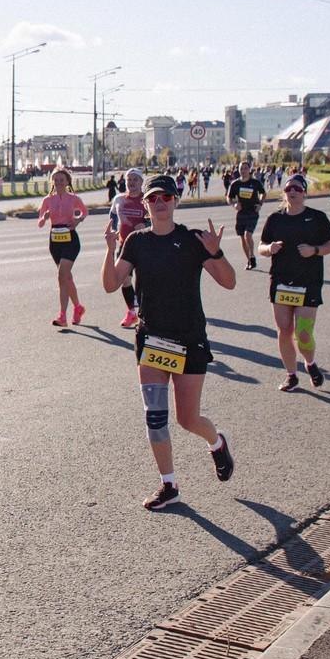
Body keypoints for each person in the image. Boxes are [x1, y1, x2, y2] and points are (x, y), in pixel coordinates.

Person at [100, 174, 237, 510]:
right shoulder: (136, 241)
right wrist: (109, 250)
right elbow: (111, 283)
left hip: (189, 339)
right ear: (145, 205)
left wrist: (215, 252)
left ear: (176, 201)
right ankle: (169, 485)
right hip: (153, 340)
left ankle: (217, 442)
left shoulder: (192, 240)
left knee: (187, 419)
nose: (160, 204)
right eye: (153, 199)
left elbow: (229, 282)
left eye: (166, 198)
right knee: (155, 417)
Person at [259, 173, 330, 391]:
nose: (292, 192)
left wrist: (315, 250)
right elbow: (261, 247)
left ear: (304, 193)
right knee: (284, 330)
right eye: (288, 189)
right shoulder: (275, 218)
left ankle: (310, 363)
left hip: (308, 282)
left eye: (297, 189)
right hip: (281, 282)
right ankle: (291, 375)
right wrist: (269, 248)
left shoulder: (317, 218)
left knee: (303, 333)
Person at [36, 165, 90, 326]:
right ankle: (78, 307)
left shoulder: (73, 198)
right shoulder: (47, 200)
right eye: (56, 180)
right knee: (66, 277)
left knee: (61, 275)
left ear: (67, 182)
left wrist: (78, 220)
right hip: (55, 241)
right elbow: (39, 223)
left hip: (70, 240)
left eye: (62, 180)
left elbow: (85, 212)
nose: (59, 182)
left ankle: (62, 316)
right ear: (52, 181)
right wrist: (44, 218)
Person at [108, 167, 149, 327]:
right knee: (123, 279)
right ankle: (132, 311)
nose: (131, 182)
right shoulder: (119, 199)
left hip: (143, 246)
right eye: (129, 179)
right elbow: (112, 217)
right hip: (124, 245)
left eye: (135, 179)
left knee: (144, 280)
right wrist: (113, 231)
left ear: (141, 182)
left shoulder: (146, 200)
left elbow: (157, 219)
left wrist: (145, 224)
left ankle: (146, 312)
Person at [225, 159, 267, 270]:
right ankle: (249, 260)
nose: (243, 170)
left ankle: (252, 256)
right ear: (238, 170)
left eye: (245, 168)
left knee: (248, 234)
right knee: (242, 238)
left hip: (252, 212)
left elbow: (263, 193)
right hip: (241, 213)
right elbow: (228, 197)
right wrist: (234, 204)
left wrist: (260, 204)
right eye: (241, 169)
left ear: (249, 170)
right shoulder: (235, 184)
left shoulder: (255, 183)